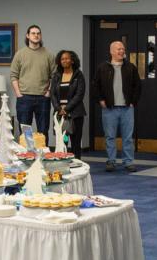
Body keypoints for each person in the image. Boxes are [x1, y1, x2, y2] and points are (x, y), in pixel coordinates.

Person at [94, 39, 141, 172]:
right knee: (110, 136)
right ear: (111, 51)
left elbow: (137, 86)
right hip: (109, 108)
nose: (121, 51)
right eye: (118, 49)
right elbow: (95, 85)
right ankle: (111, 161)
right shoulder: (103, 68)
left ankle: (128, 162)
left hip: (127, 108)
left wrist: (133, 101)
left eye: (123, 49)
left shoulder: (130, 67)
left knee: (128, 137)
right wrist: (100, 100)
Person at [10, 25, 54, 135]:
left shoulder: (48, 54)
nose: (36, 35)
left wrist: (48, 92)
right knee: (25, 132)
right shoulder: (20, 54)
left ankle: (42, 148)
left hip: (43, 98)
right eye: (33, 33)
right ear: (28, 36)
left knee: (43, 131)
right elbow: (14, 75)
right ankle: (26, 148)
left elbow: (54, 76)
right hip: (24, 98)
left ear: (41, 36)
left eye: (38, 33)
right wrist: (18, 93)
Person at [48, 49, 85, 154]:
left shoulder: (78, 75)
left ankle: (76, 161)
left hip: (75, 113)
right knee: (62, 142)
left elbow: (79, 94)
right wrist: (59, 108)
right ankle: (63, 162)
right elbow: (53, 94)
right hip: (59, 114)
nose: (64, 61)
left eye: (67, 58)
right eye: (62, 59)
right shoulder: (56, 75)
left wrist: (67, 108)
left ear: (72, 60)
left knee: (75, 143)